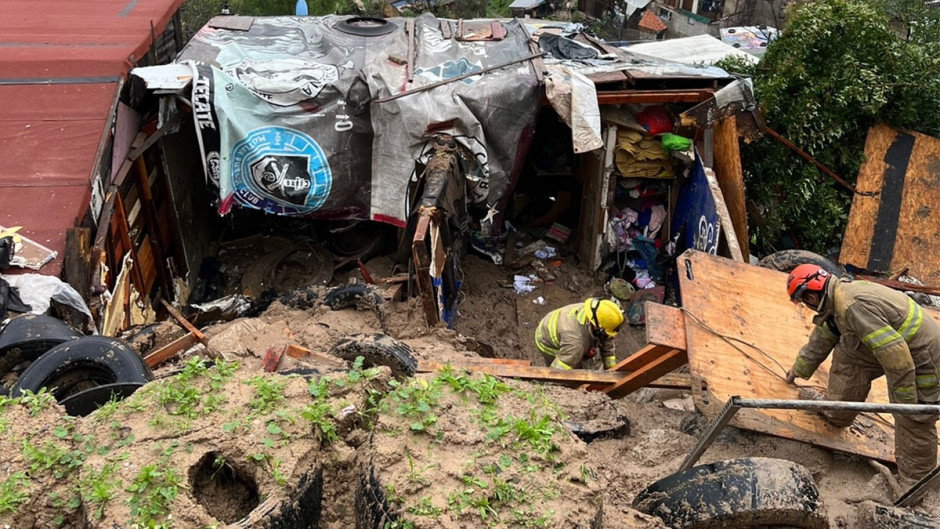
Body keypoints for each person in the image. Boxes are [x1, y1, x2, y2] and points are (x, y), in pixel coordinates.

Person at [784, 264, 940, 488]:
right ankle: (837, 412)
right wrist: (799, 368)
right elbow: (826, 333)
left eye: (804, 302)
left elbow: (897, 357)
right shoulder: (836, 299)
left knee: (914, 419)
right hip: (896, 347)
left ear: (810, 295)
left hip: (923, 357)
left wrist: (906, 404)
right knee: (849, 355)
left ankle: (916, 485)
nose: (807, 307)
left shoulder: (852, 305)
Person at [535, 298, 624, 370]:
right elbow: (560, 369)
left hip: (559, 327)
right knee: (573, 373)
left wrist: (611, 369)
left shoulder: (596, 312)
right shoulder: (575, 343)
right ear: (597, 326)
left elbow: (607, 341)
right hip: (546, 342)